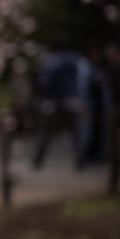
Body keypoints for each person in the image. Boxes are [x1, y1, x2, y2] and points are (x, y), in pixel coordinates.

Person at [31, 41, 89, 170]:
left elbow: (46, 83)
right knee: (75, 133)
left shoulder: (53, 62)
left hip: (56, 102)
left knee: (46, 132)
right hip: (74, 101)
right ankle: (81, 160)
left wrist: (44, 97)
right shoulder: (77, 62)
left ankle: (38, 160)